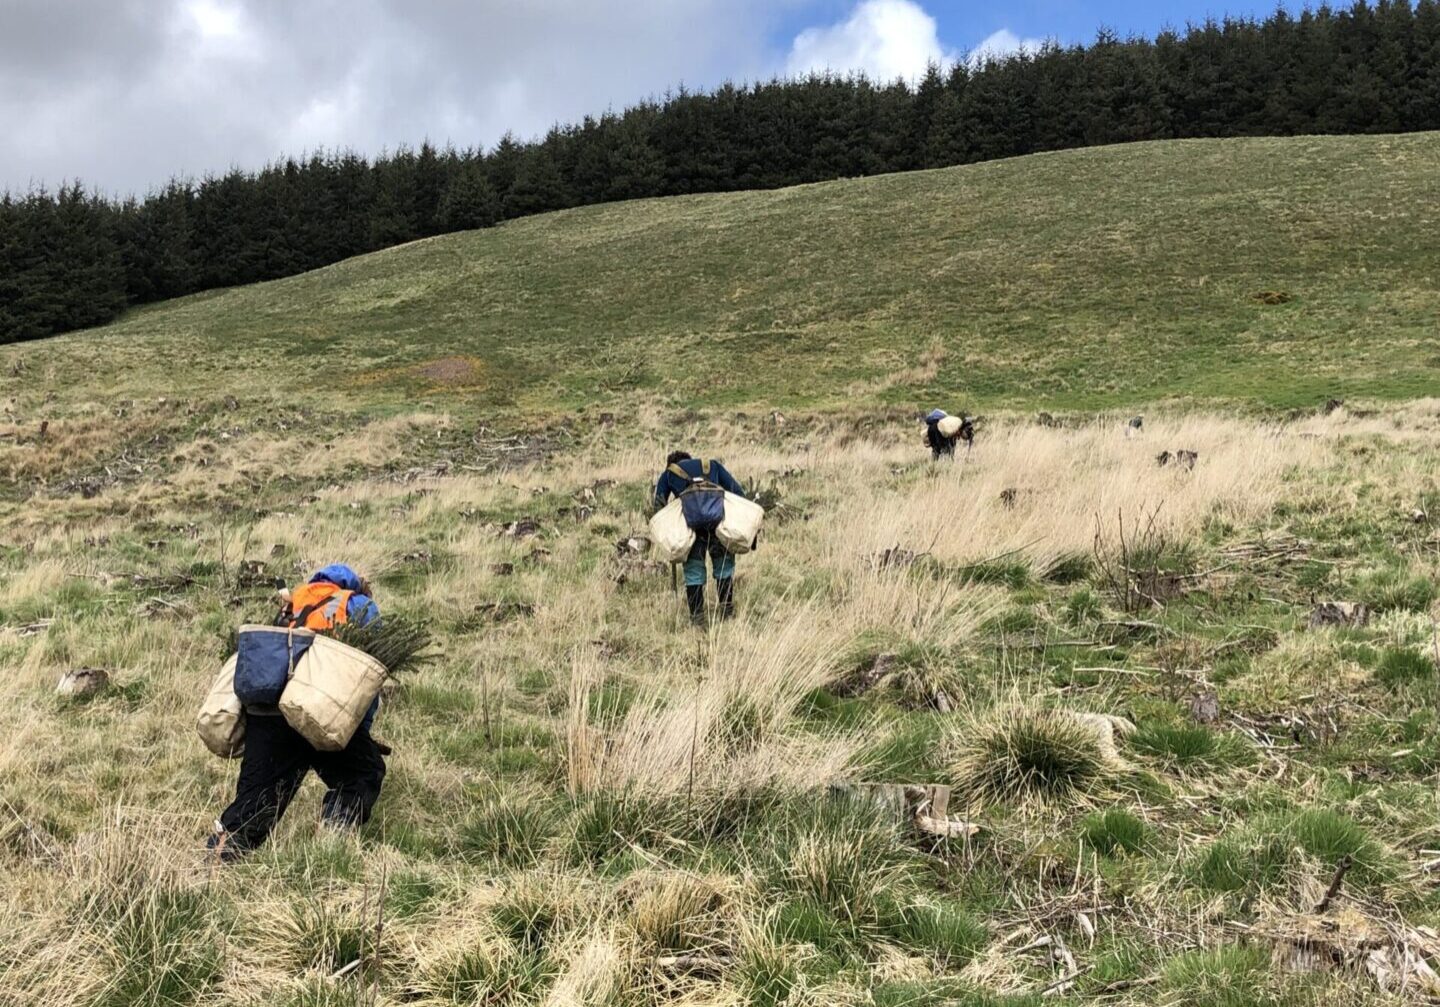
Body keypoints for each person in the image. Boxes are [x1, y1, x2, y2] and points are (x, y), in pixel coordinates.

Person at [207, 564, 386, 862]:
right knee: (363, 772)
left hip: (268, 708)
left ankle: (214, 864)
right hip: (316, 707)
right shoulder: (358, 605)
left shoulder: (293, 602)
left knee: (256, 803)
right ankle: (333, 837)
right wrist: (358, 730)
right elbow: (366, 676)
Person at [654, 451, 747, 625]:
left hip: (691, 527)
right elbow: (737, 492)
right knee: (723, 566)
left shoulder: (668, 474)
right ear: (690, 460)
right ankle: (727, 612)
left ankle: (698, 619)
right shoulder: (711, 465)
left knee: (693, 570)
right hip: (718, 523)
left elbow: (658, 505)